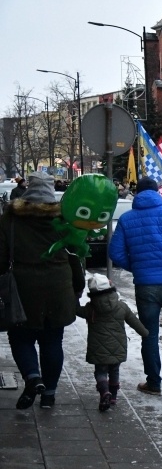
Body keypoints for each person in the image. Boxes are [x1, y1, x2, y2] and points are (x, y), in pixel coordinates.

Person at [0, 173, 85, 409]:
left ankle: (32, 376)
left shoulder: (11, 219)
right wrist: (78, 286)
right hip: (58, 285)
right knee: (52, 339)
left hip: (22, 287)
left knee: (20, 336)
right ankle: (49, 394)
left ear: (28, 189)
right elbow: (74, 255)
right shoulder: (64, 218)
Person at [108, 177, 162, 395]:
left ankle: (154, 382)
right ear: (157, 192)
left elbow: (115, 252)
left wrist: (137, 267)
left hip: (145, 284)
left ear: (137, 193)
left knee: (149, 333)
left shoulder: (128, 219)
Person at [76, 274, 149, 411]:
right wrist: (145, 333)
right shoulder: (121, 306)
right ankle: (113, 397)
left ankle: (105, 392)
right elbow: (134, 322)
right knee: (114, 371)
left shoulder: (90, 308)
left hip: (98, 348)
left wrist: (75, 296)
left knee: (100, 372)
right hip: (118, 347)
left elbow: (76, 310)